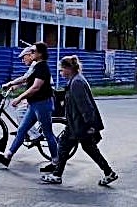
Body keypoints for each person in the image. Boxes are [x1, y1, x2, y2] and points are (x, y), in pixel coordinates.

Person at [42, 55, 117, 186]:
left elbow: (85, 106)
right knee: (84, 148)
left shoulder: (77, 82)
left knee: (65, 146)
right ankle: (108, 172)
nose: (60, 72)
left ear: (69, 69)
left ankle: (57, 175)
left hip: (80, 125)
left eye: (61, 69)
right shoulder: (75, 80)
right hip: (77, 124)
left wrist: (91, 125)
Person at [0, 42, 59, 169]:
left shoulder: (43, 67)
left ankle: (56, 162)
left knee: (48, 133)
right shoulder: (36, 66)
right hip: (34, 104)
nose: (31, 53)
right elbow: (25, 79)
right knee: (22, 130)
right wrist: (10, 84)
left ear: (40, 54)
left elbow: (36, 87)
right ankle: (7, 157)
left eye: (33, 51)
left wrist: (19, 98)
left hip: (43, 104)